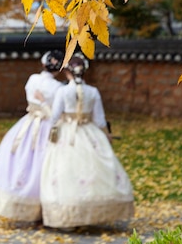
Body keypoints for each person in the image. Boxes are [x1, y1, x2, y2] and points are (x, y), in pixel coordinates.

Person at [40, 56, 134, 228]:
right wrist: (107, 135)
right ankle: (93, 213)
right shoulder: (93, 91)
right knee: (92, 170)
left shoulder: (62, 91)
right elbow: (100, 120)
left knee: (65, 171)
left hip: (68, 133)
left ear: (67, 71)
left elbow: (54, 116)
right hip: (89, 133)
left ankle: (68, 215)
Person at [0, 50, 65, 222]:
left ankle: (24, 203)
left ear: (43, 64)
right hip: (47, 125)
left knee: (25, 160)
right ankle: (45, 207)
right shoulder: (58, 88)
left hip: (29, 123)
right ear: (59, 69)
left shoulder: (32, 79)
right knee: (45, 163)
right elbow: (55, 113)